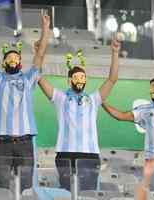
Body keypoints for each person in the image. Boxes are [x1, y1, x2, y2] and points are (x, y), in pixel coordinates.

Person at [0, 5, 50, 191]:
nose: (13, 60)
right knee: (2, 188)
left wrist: (46, 29)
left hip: (25, 143)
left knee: (24, 188)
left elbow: (39, 55)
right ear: (4, 62)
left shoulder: (28, 79)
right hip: (1, 143)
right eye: (10, 58)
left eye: (16, 57)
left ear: (21, 63)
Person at [37, 39, 120, 191]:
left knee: (87, 195)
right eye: (77, 77)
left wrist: (115, 53)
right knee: (68, 193)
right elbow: (39, 77)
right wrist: (39, 53)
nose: (81, 80)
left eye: (83, 77)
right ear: (69, 81)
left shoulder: (93, 99)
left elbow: (112, 79)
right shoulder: (60, 98)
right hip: (65, 154)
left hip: (90, 155)